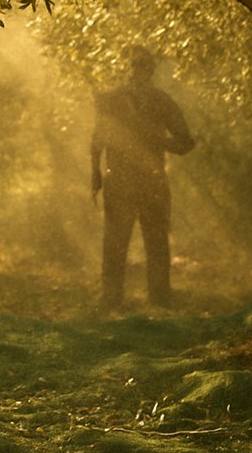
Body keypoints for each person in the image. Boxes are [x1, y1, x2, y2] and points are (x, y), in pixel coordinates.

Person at [90, 46, 195, 309]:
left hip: (127, 182)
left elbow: (96, 141)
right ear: (150, 70)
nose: (141, 73)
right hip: (148, 183)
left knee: (120, 243)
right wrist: (160, 141)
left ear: (135, 68)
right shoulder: (160, 101)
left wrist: (96, 174)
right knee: (153, 242)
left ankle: (115, 299)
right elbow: (185, 142)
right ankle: (156, 300)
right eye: (143, 68)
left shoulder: (114, 99)